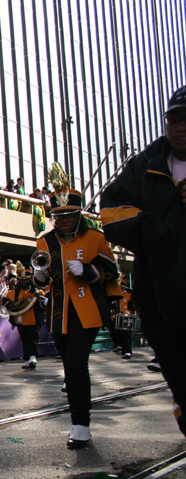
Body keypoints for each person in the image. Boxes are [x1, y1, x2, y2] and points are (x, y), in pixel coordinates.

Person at [100, 85, 186, 437]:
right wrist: (169, 212)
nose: (181, 126)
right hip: (162, 298)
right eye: (175, 119)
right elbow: (112, 215)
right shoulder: (143, 165)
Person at [34, 184, 118, 448]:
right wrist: (39, 277)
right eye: (59, 217)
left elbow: (112, 271)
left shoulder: (96, 237)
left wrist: (87, 270)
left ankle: (80, 423)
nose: (64, 221)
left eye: (69, 216)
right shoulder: (45, 240)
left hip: (87, 309)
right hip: (58, 310)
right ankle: (79, 421)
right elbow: (42, 274)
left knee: (76, 362)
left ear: (79, 215)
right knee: (69, 365)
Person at [3, 267, 46, 370]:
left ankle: (33, 358)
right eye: (21, 279)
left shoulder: (37, 292)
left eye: (26, 279)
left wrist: (39, 298)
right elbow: (5, 299)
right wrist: (10, 304)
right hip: (20, 319)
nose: (23, 282)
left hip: (33, 319)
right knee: (24, 339)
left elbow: (43, 304)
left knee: (32, 338)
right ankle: (27, 359)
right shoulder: (13, 292)